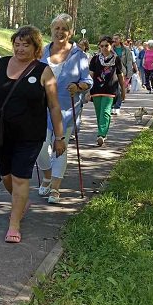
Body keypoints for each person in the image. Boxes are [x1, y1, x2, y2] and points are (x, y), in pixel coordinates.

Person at [0, 26, 66, 242]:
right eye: (17, 44)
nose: (20, 48)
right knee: (6, 177)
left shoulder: (43, 71)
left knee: (21, 178)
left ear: (35, 47)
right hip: (3, 133)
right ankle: (20, 201)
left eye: (26, 44)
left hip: (30, 136)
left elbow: (54, 106)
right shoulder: (2, 63)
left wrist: (59, 137)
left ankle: (14, 224)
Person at [35, 14, 93, 203]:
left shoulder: (79, 55)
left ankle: (56, 189)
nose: (60, 32)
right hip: (41, 108)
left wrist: (78, 87)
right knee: (39, 147)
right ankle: (47, 176)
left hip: (67, 109)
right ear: (51, 30)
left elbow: (87, 80)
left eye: (64, 29)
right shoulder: (42, 52)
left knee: (60, 146)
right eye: (56, 28)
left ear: (70, 32)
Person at [88, 36, 125, 147]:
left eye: (106, 45)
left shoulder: (116, 58)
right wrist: (87, 90)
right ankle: (102, 131)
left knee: (105, 111)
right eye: (102, 46)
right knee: (99, 113)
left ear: (111, 46)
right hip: (96, 89)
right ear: (99, 46)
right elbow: (91, 75)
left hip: (110, 89)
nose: (104, 48)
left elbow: (120, 74)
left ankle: (101, 134)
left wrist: (123, 90)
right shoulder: (95, 59)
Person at [110, 33, 136, 116]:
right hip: (111, 72)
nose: (115, 40)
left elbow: (129, 62)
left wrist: (129, 73)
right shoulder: (110, 48)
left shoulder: (126, 49)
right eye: (114, 39)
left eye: (117, 39)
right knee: (113, 90)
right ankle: (112, 106)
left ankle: (117, 107)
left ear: (120, 39)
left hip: (122, 72)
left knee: (120, 89)